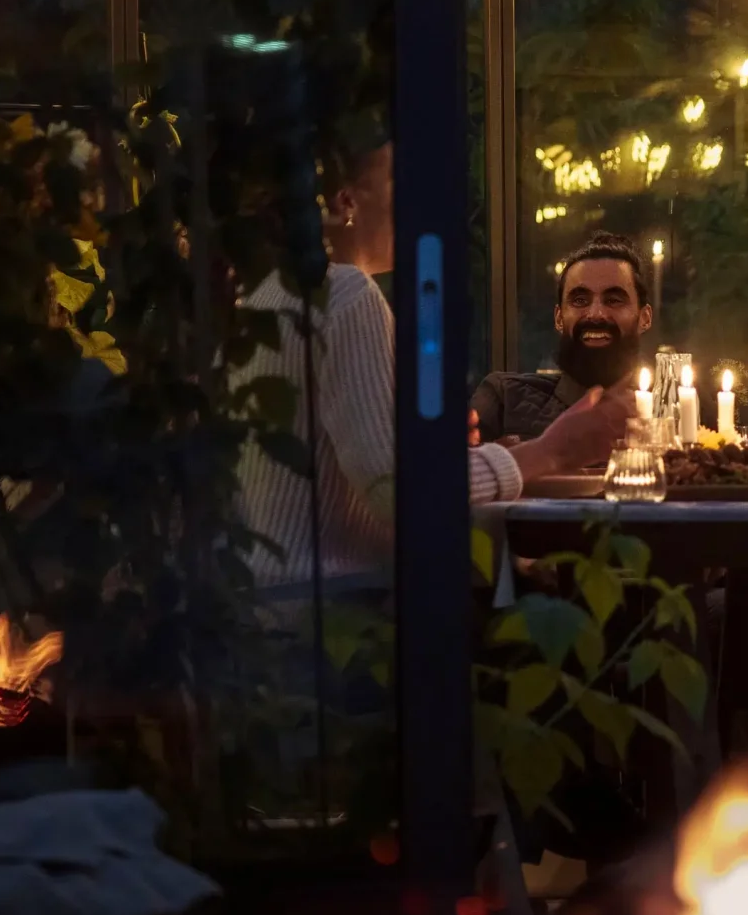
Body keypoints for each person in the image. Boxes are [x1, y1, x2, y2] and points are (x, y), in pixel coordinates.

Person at [236, 146, 624, 590]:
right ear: (346, 201)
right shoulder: (345, 295)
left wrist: (446, 454)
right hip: (346, 625)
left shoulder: (267, 296)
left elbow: (355, 472)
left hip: (272, 618)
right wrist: (552, 449)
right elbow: (401, 496)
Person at [468, 231, 656, 444]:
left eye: (613, 300)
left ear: (644, 317)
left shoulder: (674, 407)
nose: (595, 314)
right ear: (558, 318)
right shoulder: (504, 397)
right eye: (579, 300)